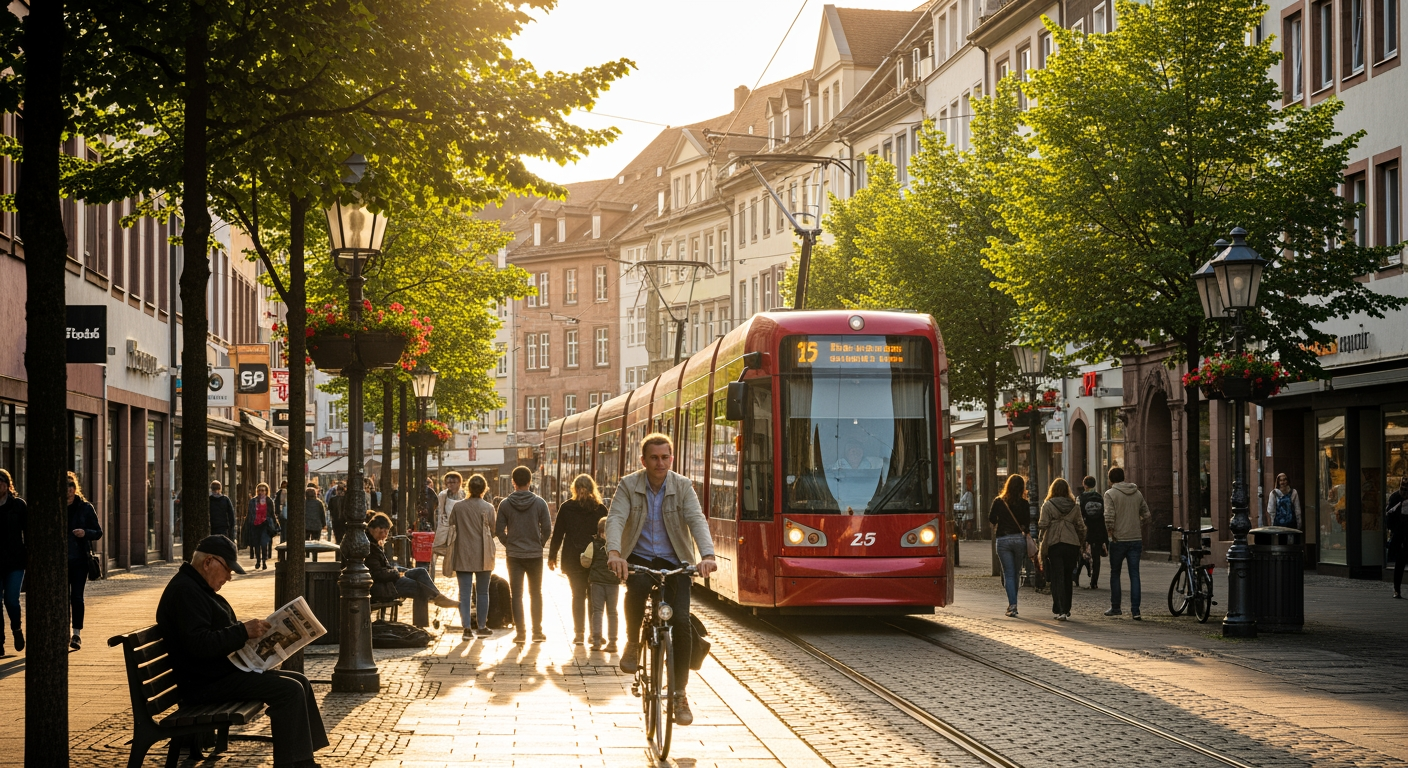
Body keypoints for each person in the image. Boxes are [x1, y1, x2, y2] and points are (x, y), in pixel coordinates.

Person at [156, 535, 328, 767]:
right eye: (227, 569)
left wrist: (251, 642)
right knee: (289, 691)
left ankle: (303, 757)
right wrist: (242, 632)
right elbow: (198, 644)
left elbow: (211, 637)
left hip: (218, 674)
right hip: (203, 683)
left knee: (300, 681)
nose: (229, 577)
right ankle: (295, 764)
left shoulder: (196, 587)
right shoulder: (186, 592)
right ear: (208, 562)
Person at [606, 433, 717, 727]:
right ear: (643, 461)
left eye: (665, 457)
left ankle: (679, 693)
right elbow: (616, 518)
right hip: (640, 559)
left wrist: (706, 555)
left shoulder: (682, 486)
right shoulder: (629, 485)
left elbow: (696, 519)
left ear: (671, 458)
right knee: (637, 588)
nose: (660, 463)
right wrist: (615, 553)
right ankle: (632, 642)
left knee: (680, 622)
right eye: (654, 458)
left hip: (675, 562)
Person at [495, 466, 552, 643]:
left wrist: (509, 544)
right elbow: (548, 529)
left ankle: (521, 633)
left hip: (514, 556)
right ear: (530, 481)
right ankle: (537, 632)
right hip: (534, 555)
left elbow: (498, 530)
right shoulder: (540, 503)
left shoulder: (505, 504)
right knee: (536, 593)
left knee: (517, 594)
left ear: (513, 482)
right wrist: (539, 543)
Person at [549, 474, 608, 645]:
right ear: (593, 489)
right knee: (593, 597)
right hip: (595, 559)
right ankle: (594, 633)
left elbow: (558, 534)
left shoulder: (567, 508)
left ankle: (579, 634)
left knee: (577, 596)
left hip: (572, 558)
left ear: (574, 489)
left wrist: (552, 557)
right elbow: (608, 535)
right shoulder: (600, 509)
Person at [366, 514, 458, 618]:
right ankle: (430, 610)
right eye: (385, 532)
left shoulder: (373, 543)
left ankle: (438, 596)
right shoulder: (369, 546)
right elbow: (377, 574)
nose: (384, 536)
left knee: (420, 572)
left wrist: (395, 571)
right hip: (384, 587)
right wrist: (395, 573)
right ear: (378, 529)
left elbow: (381, 568)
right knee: (420, 588)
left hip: (388, 580)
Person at [446, 474, 496, 638]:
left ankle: (466, 628)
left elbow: (451, 526)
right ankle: (482, 626)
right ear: (484, 489)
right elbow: (493, 531)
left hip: (463, 554)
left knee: (464, 593)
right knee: (482, 592)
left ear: (468, 488)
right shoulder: (488, 508)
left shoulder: (458, 507)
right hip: (483, 555)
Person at [1103, 466, 1151, 619]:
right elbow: (1147, 514)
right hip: (1135, 538)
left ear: (1110, 479)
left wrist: (1110, 534)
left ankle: (1116, 607)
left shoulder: (1110, 494)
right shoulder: (1137, 493)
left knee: (1115, 573)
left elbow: (1109, 517)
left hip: (1118, 539)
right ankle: (1135, 610)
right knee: (1134, 575)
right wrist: (1138, 525)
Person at [1039, 478, 1086, 621]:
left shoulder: (1048, 505)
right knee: (1067, 577)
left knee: (1056, 576)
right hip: (1072, 544)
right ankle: (1066, 608)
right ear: (1067, 491)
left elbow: (1042, 524)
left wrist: (1042, 540)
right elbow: (1081, 527)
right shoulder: (1074, 506)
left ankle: (1059, 609)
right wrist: (1081, 543)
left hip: (1055, 543)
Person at [67, 471, 102, 650]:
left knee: (77, 597)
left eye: (71, 485)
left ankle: (76, 634)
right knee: (62, 598)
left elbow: (98, 532)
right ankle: (62, 631)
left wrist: (85, 533)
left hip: (80, 560)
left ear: (75, 488)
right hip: (60, 562)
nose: (69, 489)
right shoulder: (55, 508)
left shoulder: (85, 507)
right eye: (65, 486)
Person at [989, 474, 1030, 618]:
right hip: (1019, 539)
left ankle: (1012, 605)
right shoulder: (1024, 504)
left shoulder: (999, 501)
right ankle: (1014, 603)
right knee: (1016, 572)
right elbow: (1027, 524)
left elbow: (991, 519)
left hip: (1003, 540)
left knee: (1008, 573)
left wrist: (999, 523)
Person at [581, 517, 620, 652]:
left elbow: (585, 562)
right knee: (612, 612)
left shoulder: (593, 545)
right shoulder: (618, 547)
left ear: (599, 532)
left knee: (597, 611)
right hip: (613, 583)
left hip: (597, 583)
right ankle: (613, 642)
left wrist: (582, 556)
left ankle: (596, 641)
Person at [0, 469, 26, 654]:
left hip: (15, 562)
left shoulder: (18, 505)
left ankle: (16, 629)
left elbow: (28, 531)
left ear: (8, 485)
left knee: (11, 600)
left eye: (2, 482)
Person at [1075, 476, 1108, 589]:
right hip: (1098, 529)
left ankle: (1076, 576)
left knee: (1080, 553)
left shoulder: (1081, 498)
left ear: (1084, 485)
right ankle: (1094, 581)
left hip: (1086, 529)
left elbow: (1078, 514)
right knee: (1096, 557)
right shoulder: (1100, 497)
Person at [433, 472, 466, 574]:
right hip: (445, 526)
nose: (450, 485)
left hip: (461, 527)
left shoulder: (464, 494)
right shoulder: (443, 495)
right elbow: (440, 512)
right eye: (448, 483)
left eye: (453, 482)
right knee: (438, 551)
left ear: (459, 483)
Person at [246, 483, 277, 571]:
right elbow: (249, 514)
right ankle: (258, 560)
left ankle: (264, 561)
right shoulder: (253, 501)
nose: (261, 492)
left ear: (266, 491)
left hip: (265, 525)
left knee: (264, 543)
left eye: (263, 490)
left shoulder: (269, 501)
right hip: (255, 525)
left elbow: (272, 514)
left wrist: (275, 524)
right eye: (259, 490)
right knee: (256, 544)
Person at [1388, 478, 1408, 598]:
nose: (1404, 492)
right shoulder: (1395, 498)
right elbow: (1389, 514)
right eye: (1403, 489)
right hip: (1400, 534)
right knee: (1400, 563)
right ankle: (1397, 589)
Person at [955, 474, 976, 540]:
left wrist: (963, 507)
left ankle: (969, 536)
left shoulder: (969, 495)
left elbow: (970, 506)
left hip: (968, 515)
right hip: (966, 514)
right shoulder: (967, 494)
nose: (968, 484)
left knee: (968, 524)